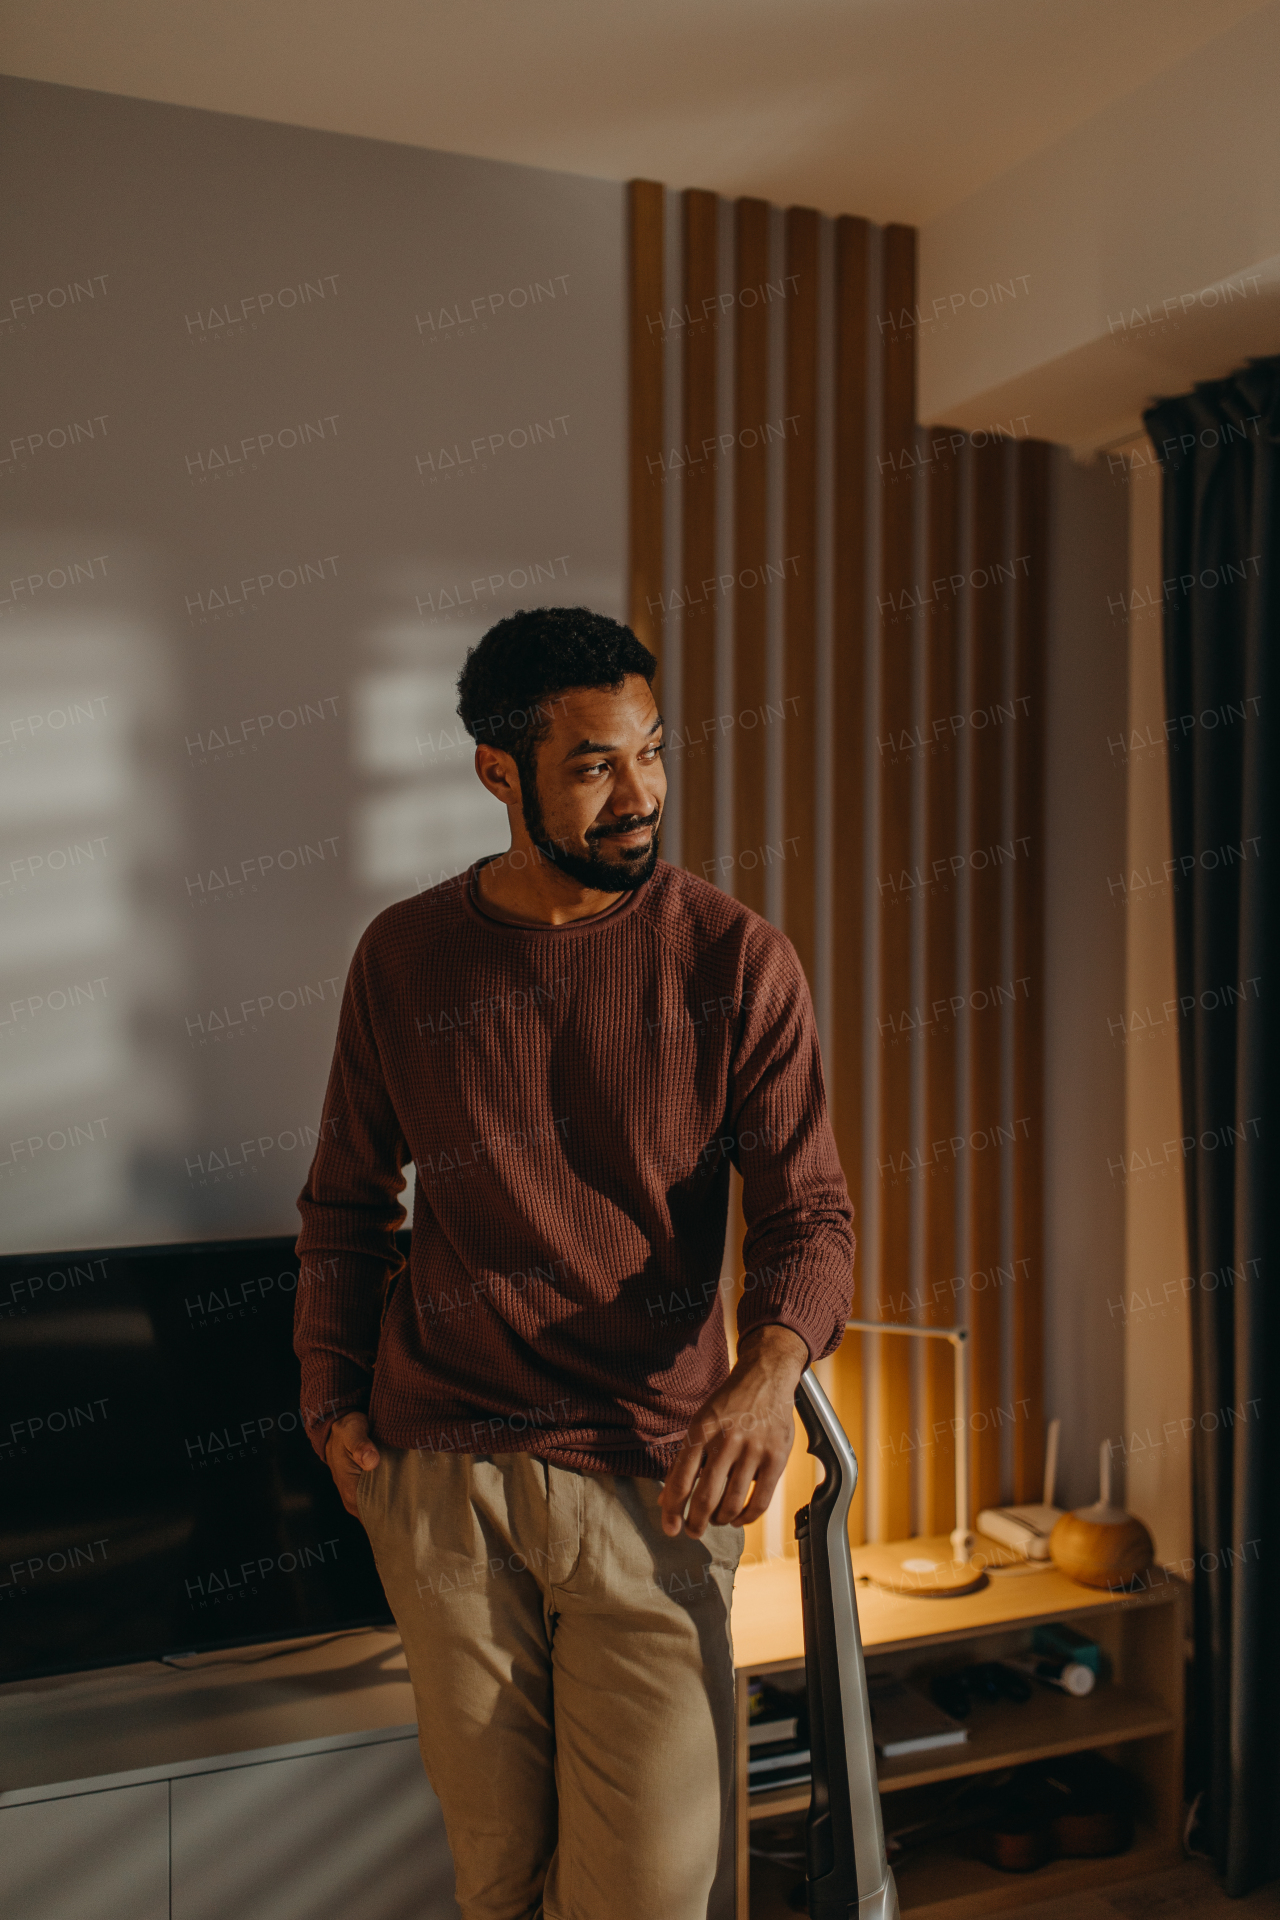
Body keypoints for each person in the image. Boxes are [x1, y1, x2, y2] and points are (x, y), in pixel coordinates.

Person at [294, 606, 855, 1920]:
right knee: (501, 1884)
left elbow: (811, 1217)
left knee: (649, 1897)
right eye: (597, 764)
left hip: (645, 1483)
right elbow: (345, 1200)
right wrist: (330, 1400)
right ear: (502, 771)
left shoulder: (732, 960)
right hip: (442, 1480)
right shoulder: (404, 958)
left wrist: (773, 1367)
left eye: (652, 752)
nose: (641, 795)